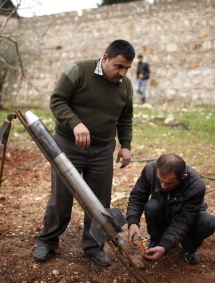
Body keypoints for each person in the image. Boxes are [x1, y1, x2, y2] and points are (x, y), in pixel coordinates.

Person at [32, 39, 136, 267]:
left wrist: (125, 144)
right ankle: (47, 241)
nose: (122, 72)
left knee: (100, 201)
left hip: (102, 150)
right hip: (68, 146)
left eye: (127, 68)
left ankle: (93, 246)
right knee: (61, 197)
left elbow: (126, 117)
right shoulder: (78, 70)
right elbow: (57, 101)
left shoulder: (125, 86)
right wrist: (75, 123)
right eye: (119, 66)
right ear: (105, 58)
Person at [126, 153, 215, 264]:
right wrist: (133, 221)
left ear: (183, 177)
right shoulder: (150, 171)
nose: (163, 186)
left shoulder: (196, 186)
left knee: (208, 222)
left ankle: (189, 248)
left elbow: (183, 220)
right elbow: (137, 197)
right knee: (152, 207)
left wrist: (166, 245)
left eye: (169, 183)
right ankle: (156, 239)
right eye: (160, 181)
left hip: (184, 216)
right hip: (163, 212)